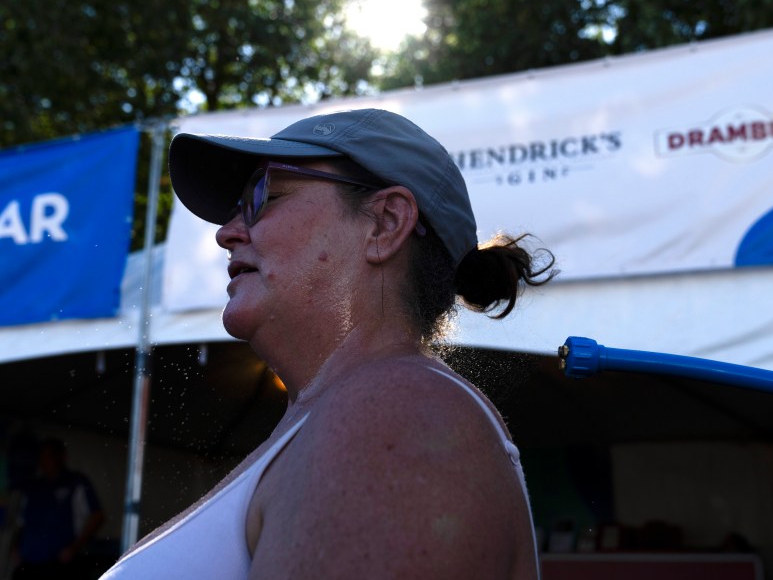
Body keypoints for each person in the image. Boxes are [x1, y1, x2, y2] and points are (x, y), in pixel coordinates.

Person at [101, 108, 556, 579]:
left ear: (384, 223)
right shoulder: (360, 414)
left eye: (261, 195)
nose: (226, 233)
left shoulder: (395, 414)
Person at [12, 438, 105, 580]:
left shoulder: (75, 482)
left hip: (59, 564)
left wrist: (75, 547)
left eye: (49, 456)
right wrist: (16, 548)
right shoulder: (33, 486)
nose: (45, 461)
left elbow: (97, 516)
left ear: (61, 457)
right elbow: (21, 523)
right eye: (42, 457)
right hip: (29, 563)